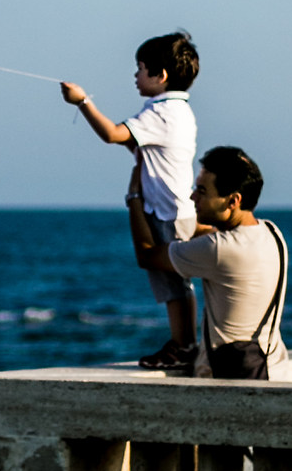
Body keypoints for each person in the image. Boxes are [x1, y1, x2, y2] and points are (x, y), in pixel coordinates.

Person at [59, 32, 201, 366]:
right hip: (172, 208)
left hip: (167, 211)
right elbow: (135, 143)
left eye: (140, 69)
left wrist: (82, 101)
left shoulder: (162, 112)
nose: (135, 76)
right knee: (175, 283)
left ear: (160, 75)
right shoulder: (175, 111)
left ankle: (183, 346)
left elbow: (112, 134)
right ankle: (183, 345)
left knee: (175, 284)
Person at [131, 145, 287, 377]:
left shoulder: (217, 249)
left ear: (233, 200)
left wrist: (134, 197)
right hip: (273, 368)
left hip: (230, 379)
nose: (193, 197)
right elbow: (209, 236)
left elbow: (147, 256)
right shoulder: (272, 233)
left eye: (202, 191)